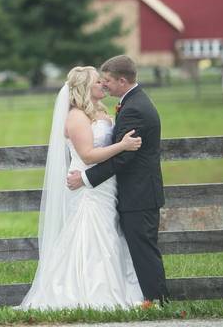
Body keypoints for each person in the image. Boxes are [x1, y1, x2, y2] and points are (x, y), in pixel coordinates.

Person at [18, 65, 144, 310]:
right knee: (90, 233)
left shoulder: (99, 111)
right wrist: (123, 146)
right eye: (98, 82)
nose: (103, 85)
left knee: (108, 232)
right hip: (87, 186)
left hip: (106, 185)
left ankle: (114, 287)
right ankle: (89, 292)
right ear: (86, 87)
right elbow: (87, 155)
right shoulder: (76, 117)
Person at [66, 55, 169, 306]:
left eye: (108, 80)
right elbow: (103, 152)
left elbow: (124, 159)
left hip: (136, 192)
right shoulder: (130, 103)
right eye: (99, 81)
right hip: (119, 191)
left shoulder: (134, 108)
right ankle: (129, 296)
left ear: (122, 80)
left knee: (141, 246)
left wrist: (87, 178)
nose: (104, 85)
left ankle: (157, 300)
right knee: (115, 244)